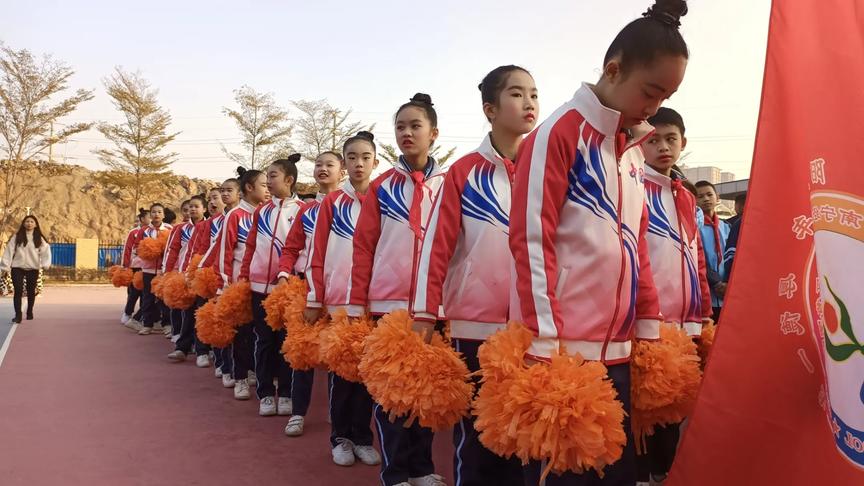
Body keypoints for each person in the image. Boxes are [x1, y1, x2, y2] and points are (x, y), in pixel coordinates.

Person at [509, 0, 689, 483]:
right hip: (563, 354)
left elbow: (638, 251)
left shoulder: (632, 154)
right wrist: (545, 339)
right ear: (613, 69)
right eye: (651, 91)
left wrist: (648, 327)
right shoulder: (558, 133)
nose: (654, 107)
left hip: (620, 352)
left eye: (667, 95)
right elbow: (530, 239)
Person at [411, 65, 538, 486]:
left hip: (535, 327)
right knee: (479, 436)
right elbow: (437, 246)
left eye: (534, 94)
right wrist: (426, 312)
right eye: (517, 94)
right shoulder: (464, 172)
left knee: (529, 434)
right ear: (490, 108)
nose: (530, 102)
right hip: (475, 326)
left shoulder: (547, 169)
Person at [349, 94, 447, 486]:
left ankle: (421, 466)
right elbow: (363, 246)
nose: (407, 133)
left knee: (426, 391)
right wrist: (358, 304)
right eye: (400, 127)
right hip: (387, 305)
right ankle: (395, 473)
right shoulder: (382, 187)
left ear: (433, 133)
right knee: (391, 393)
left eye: (415, 126)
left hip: (434, 308)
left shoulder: (449, 184)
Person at [638, 106, 712, 483]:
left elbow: (696, 256)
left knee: (674, 407)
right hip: (649, 322)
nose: (663, 147)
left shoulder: (685, 197)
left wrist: (703, 312)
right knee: (647, 410)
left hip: (685, 322)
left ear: (683, 143)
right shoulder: (633, 187)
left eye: (671, 139)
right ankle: (648, 474)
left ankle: (660, 473)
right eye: (653, 140)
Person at [303, 133, 381, 466]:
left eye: (365, 157)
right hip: (338, 301)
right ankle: (341, 437)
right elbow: (316, 253)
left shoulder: (384, 199)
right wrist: (314, 297)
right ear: (345, 163)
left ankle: (363, 436)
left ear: (375, 162)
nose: (359, 163)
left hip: (374, 301)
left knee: (366, 375)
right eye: (352, 157)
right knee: (340, 374)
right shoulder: (332, 202)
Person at [276, 150, 344, 437]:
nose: (322, 169)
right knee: (302, 352)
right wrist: (283, 273)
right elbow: (291, 248)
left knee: (338, 353)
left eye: (330, 164)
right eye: (318, 165)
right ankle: (298, 412)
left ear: (342, 171)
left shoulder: (354, 205)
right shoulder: (306, 210)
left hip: (342, 289)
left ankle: (336, 411)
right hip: (308, 287)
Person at [239, 155, 304, 417]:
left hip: (288, 288)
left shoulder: (303, 210)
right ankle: (266, 393)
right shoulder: (261, 211)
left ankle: (287, 392)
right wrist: (245, 276)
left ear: (289, 179)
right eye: (267, 176)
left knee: (286, 341)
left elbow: (305, 249)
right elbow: (251, 246)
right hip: (259, 288)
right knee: (264, 340)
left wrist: (292, 279)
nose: (268, 180)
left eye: (273, 175)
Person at [215, 168, 268, 400]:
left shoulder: (266, 213)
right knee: (241, 334)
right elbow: (224, 252)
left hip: (261, 285)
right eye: (263, 185)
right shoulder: (235, 216)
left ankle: (255, 370)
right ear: (249, 188)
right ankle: (240, 378)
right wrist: (225, 286)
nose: (268, 189)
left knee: (260, 333)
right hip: (239, 284)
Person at [166, 195, 211, 365]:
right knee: (187, 312)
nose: (192, 210)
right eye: (190, 207)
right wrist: (172, 272)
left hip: (206, 276)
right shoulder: (181, 228)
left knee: (201, 313)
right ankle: (182, 347)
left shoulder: (210, 225)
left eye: (196, 206)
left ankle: (202, 351)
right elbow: (177, 250)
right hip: (187, 272)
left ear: (204, 209)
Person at [124, 203, 172, 335]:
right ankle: (147, 324)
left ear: (163, 214)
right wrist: (146, 252)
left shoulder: (169, 229)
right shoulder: (144, 231)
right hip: (148, 270)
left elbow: (173, 248)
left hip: (163, 270)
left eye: (159, 212)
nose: (156, 214)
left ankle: (167, 325)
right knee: (147, 298)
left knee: (164, 298)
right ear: (150, 215)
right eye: (154, 212)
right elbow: (136, 247)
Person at [1, 215, 52, 323]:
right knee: (18, 291)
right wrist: (5, 265)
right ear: (23, 223)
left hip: (33, 268)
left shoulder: (39, 238)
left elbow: (45, 252)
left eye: (31, 222)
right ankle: (18, 315)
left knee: (30, 291)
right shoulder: (17, 236)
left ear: (36, 224)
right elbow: (9, 251)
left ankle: (29, 311)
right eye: (27, 221)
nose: (29, 223)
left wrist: (45, 264)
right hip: (17, 267)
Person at [695, 180, 731, 322]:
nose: (706, 199)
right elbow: (697, 258)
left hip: (728, 294)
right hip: (705, 296)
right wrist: (716, 283)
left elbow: (734, 257)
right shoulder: (692, 226)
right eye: (700, 196)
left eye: (709, 194)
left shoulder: (728, 227)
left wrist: (728, 283)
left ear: (717, 197)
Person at [120, 208, 150, 325]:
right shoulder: (134, 232)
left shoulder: (154, 231)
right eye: (149, 216)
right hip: (136, 266)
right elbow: (127, 249)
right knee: (134, 292)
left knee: (146, 293)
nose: (152, 218)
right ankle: (127, 312)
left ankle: (142, 315)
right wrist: (125, 265)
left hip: (148, 266)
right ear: (142, 219)